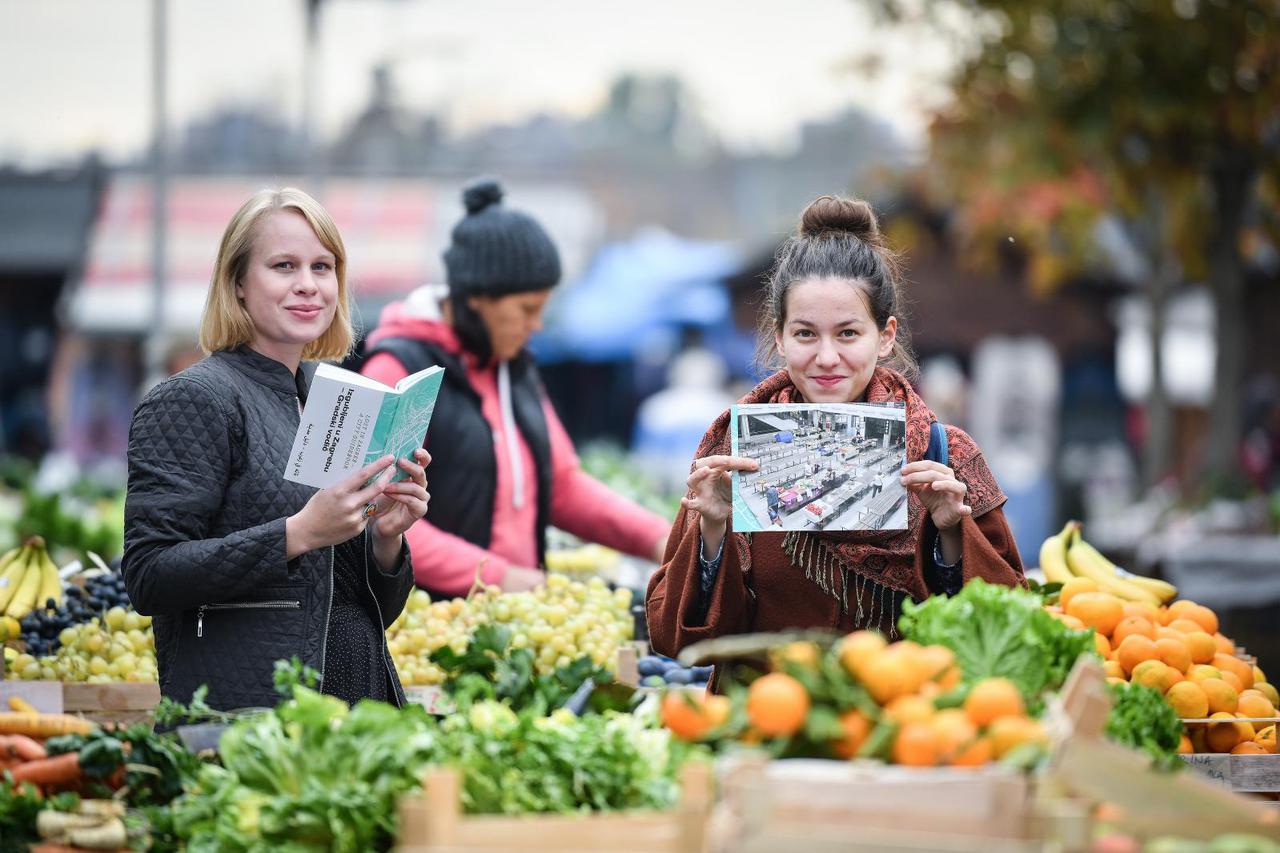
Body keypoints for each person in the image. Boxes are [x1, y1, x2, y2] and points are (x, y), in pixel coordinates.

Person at [646, 195, 1024, 654]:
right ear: (780, 338)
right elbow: (671, 637)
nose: (827, 358)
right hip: (766, 698)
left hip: (901, 697)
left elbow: (1010, 628)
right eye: (805, 334)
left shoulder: (944, 454)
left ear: (884, 337)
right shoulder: (734, 454)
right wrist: (712, 530)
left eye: (848, 333)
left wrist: (950, 534)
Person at [123, 188, 429, 711]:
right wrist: (298, 533)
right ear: (238, 283)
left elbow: (359, 605)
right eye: (284, 266)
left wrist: (385, 537)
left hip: (355, 703)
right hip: (255, 717)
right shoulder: (194, 398)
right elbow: (150, 575)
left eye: (322, 267)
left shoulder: (330, 395)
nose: (308, 284)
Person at [360, 179, 670, 597]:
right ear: (477, 298)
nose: (536, 324)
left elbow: (561, 485)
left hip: (513, 616)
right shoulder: (397, 369)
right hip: (427, 618)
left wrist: (659, 538)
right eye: (526, 309)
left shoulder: (514, 368)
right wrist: (498, 577)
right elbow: (373, 511)